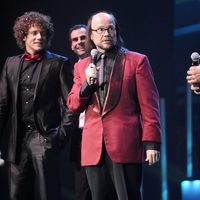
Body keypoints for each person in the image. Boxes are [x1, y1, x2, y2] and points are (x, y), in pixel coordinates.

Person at [67, 11, 161, 200]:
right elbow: (73, 105)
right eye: (100, 29)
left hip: (125, 144)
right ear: (92, 35)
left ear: (116, 31)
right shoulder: (82, 66)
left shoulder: (136, 61)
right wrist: (87, 83)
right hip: (93, 148)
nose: (106, 33)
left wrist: (152, 142)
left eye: (110, 28)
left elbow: (150, 105)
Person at [0, 11, 77, 200]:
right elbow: (2, 104)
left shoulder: (58, 63)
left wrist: (59, 137)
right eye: (34, 33)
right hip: (17, 141)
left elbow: (71, 104)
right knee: (16, 194)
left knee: (47, 194)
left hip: (44, 138)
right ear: (23, 35)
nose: (39, 37)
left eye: (43, 33)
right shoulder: (10, 63)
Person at [68, 24, 92, 200]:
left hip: (99, 130)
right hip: (79, 136)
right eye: (75, 40)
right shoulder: (70, 70)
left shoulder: (103, 63)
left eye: (83, 38)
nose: (79, 42)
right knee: (82, 190)